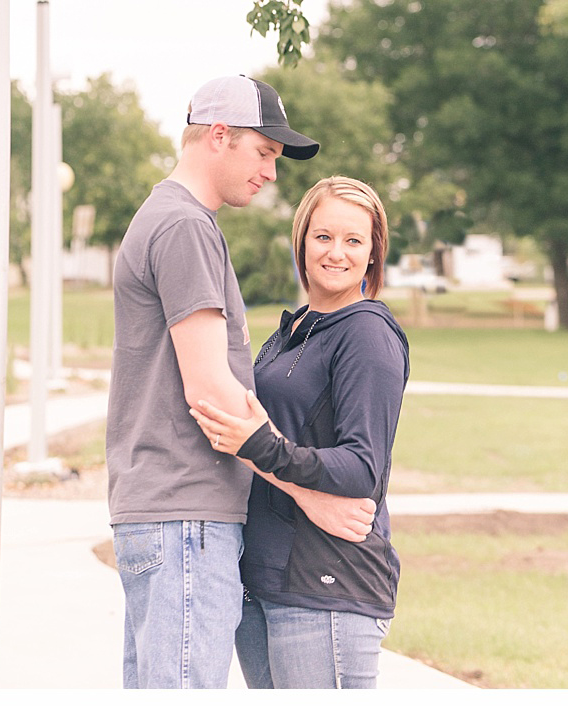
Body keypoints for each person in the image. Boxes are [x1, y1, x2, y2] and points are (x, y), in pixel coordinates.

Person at [107, 75, 376, 689]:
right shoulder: (185, 228)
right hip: (186, 516)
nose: (271, 173)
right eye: (264, 153)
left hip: (167, 513)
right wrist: (309, 495)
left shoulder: (167, 218)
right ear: (219, 136)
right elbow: (212, 392)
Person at [191, 175, 411, 690]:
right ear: (302, 242)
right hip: (265, 583)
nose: (337, 253)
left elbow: (363, 470)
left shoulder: (367, 333)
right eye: (323, 236)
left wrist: (263, 448)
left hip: (327, 585)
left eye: (354, 240)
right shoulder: (293, 330)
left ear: (374, 254)